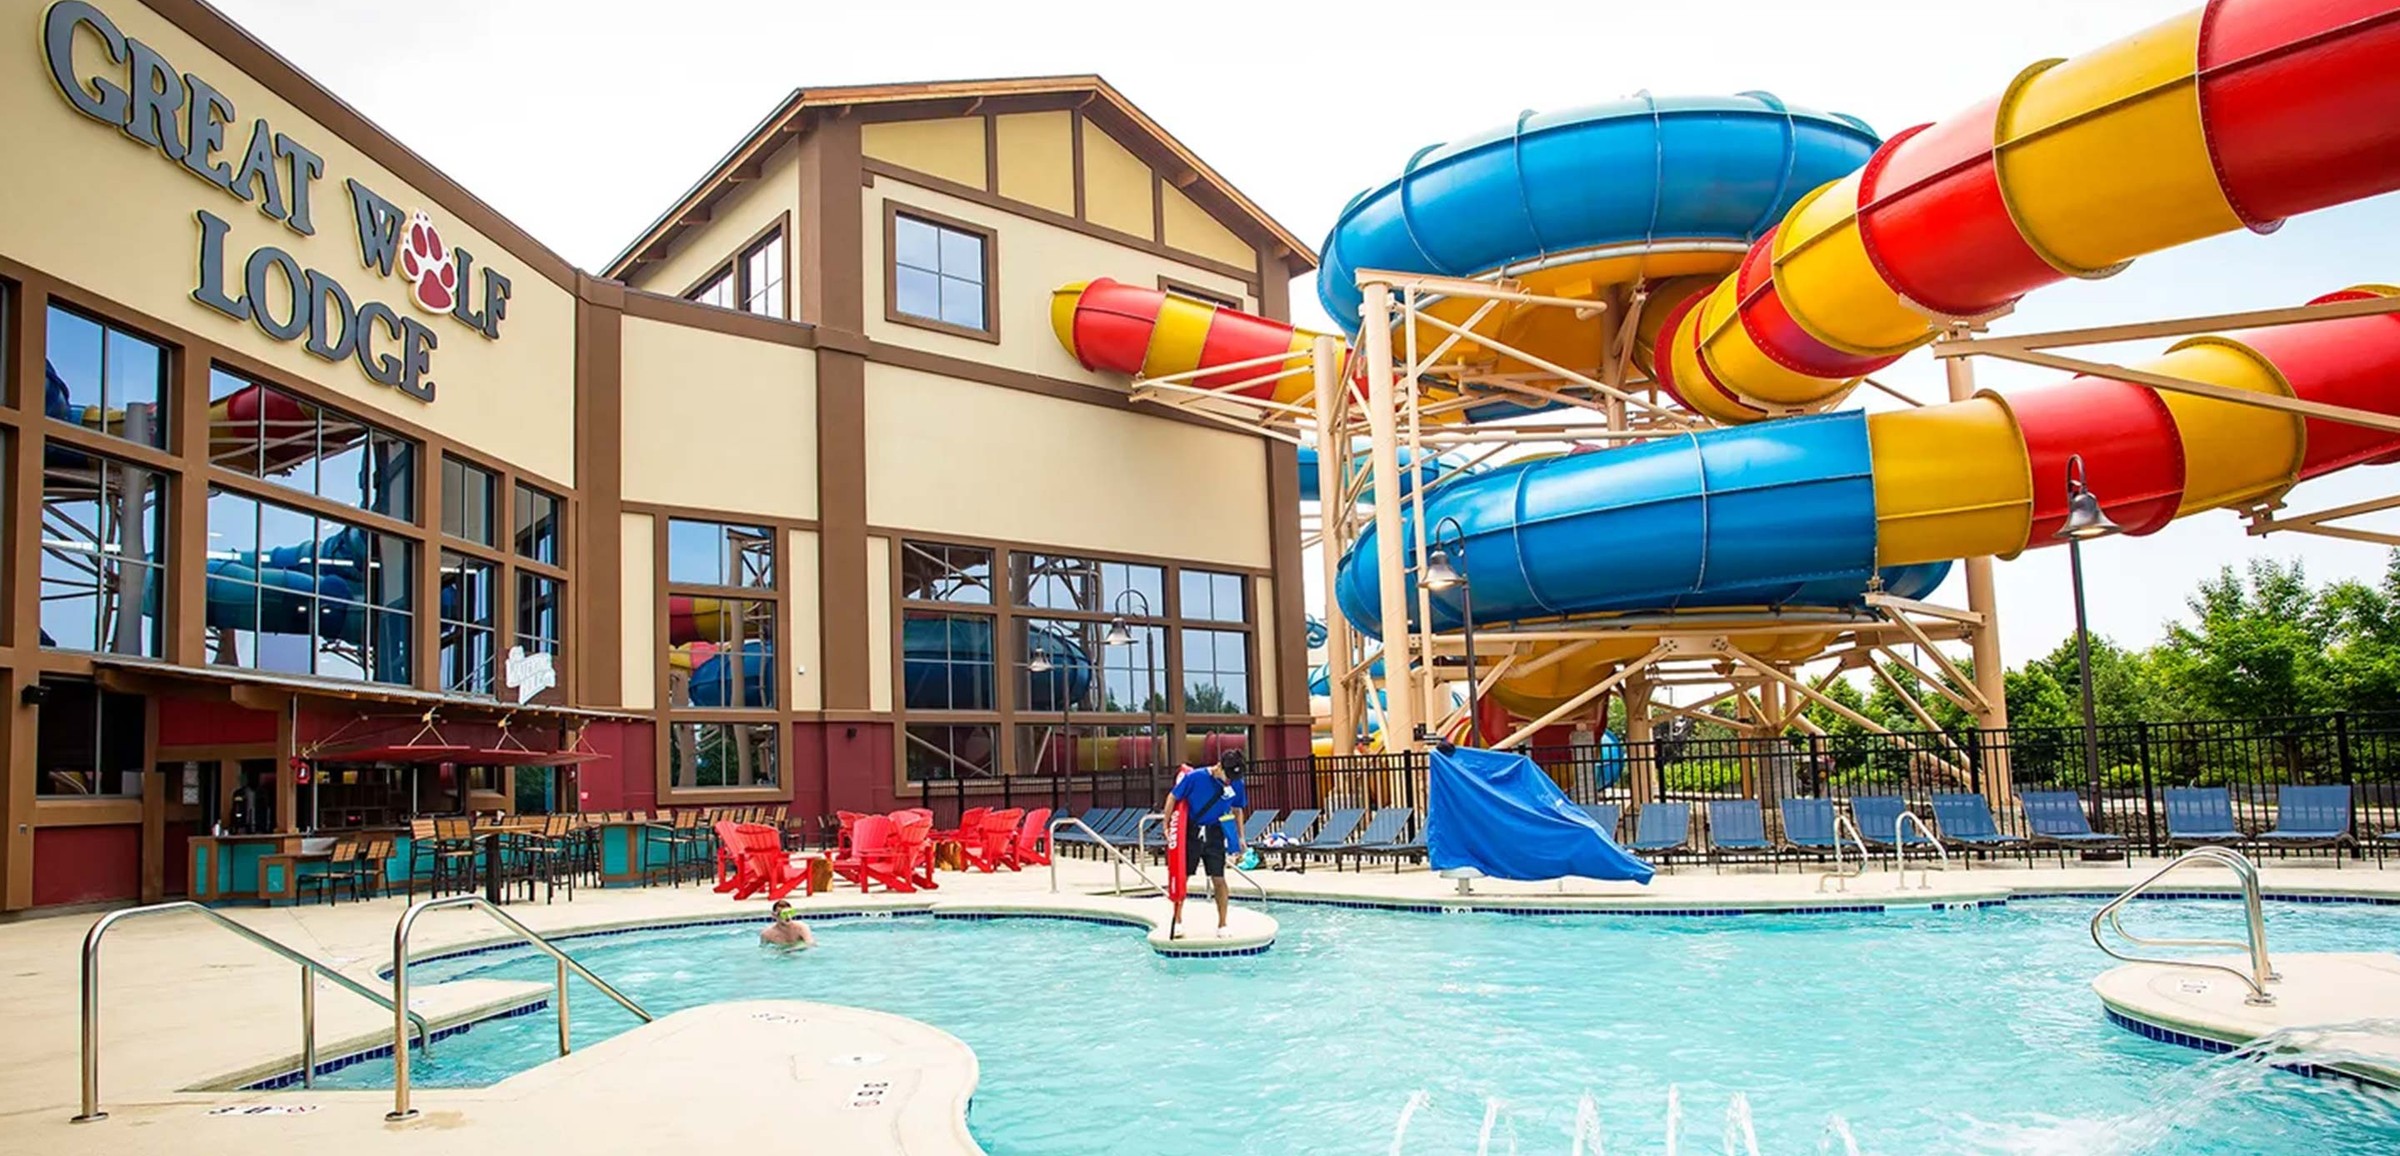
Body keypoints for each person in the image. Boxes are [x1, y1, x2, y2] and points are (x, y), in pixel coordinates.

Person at [1164, 750, 1247, 938]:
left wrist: (1241, 837)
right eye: (1228, 776)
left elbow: (1237, 809)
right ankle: (1177, 920)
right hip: (1191, 830)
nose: (1230, 781)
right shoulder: (1195, 778)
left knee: (1218, 878)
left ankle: (1223, 924)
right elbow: (1173, 797)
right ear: (1219, 766)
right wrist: (1166, 825)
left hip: (1215, 831)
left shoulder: (1237, 782)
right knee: (1183, 876)